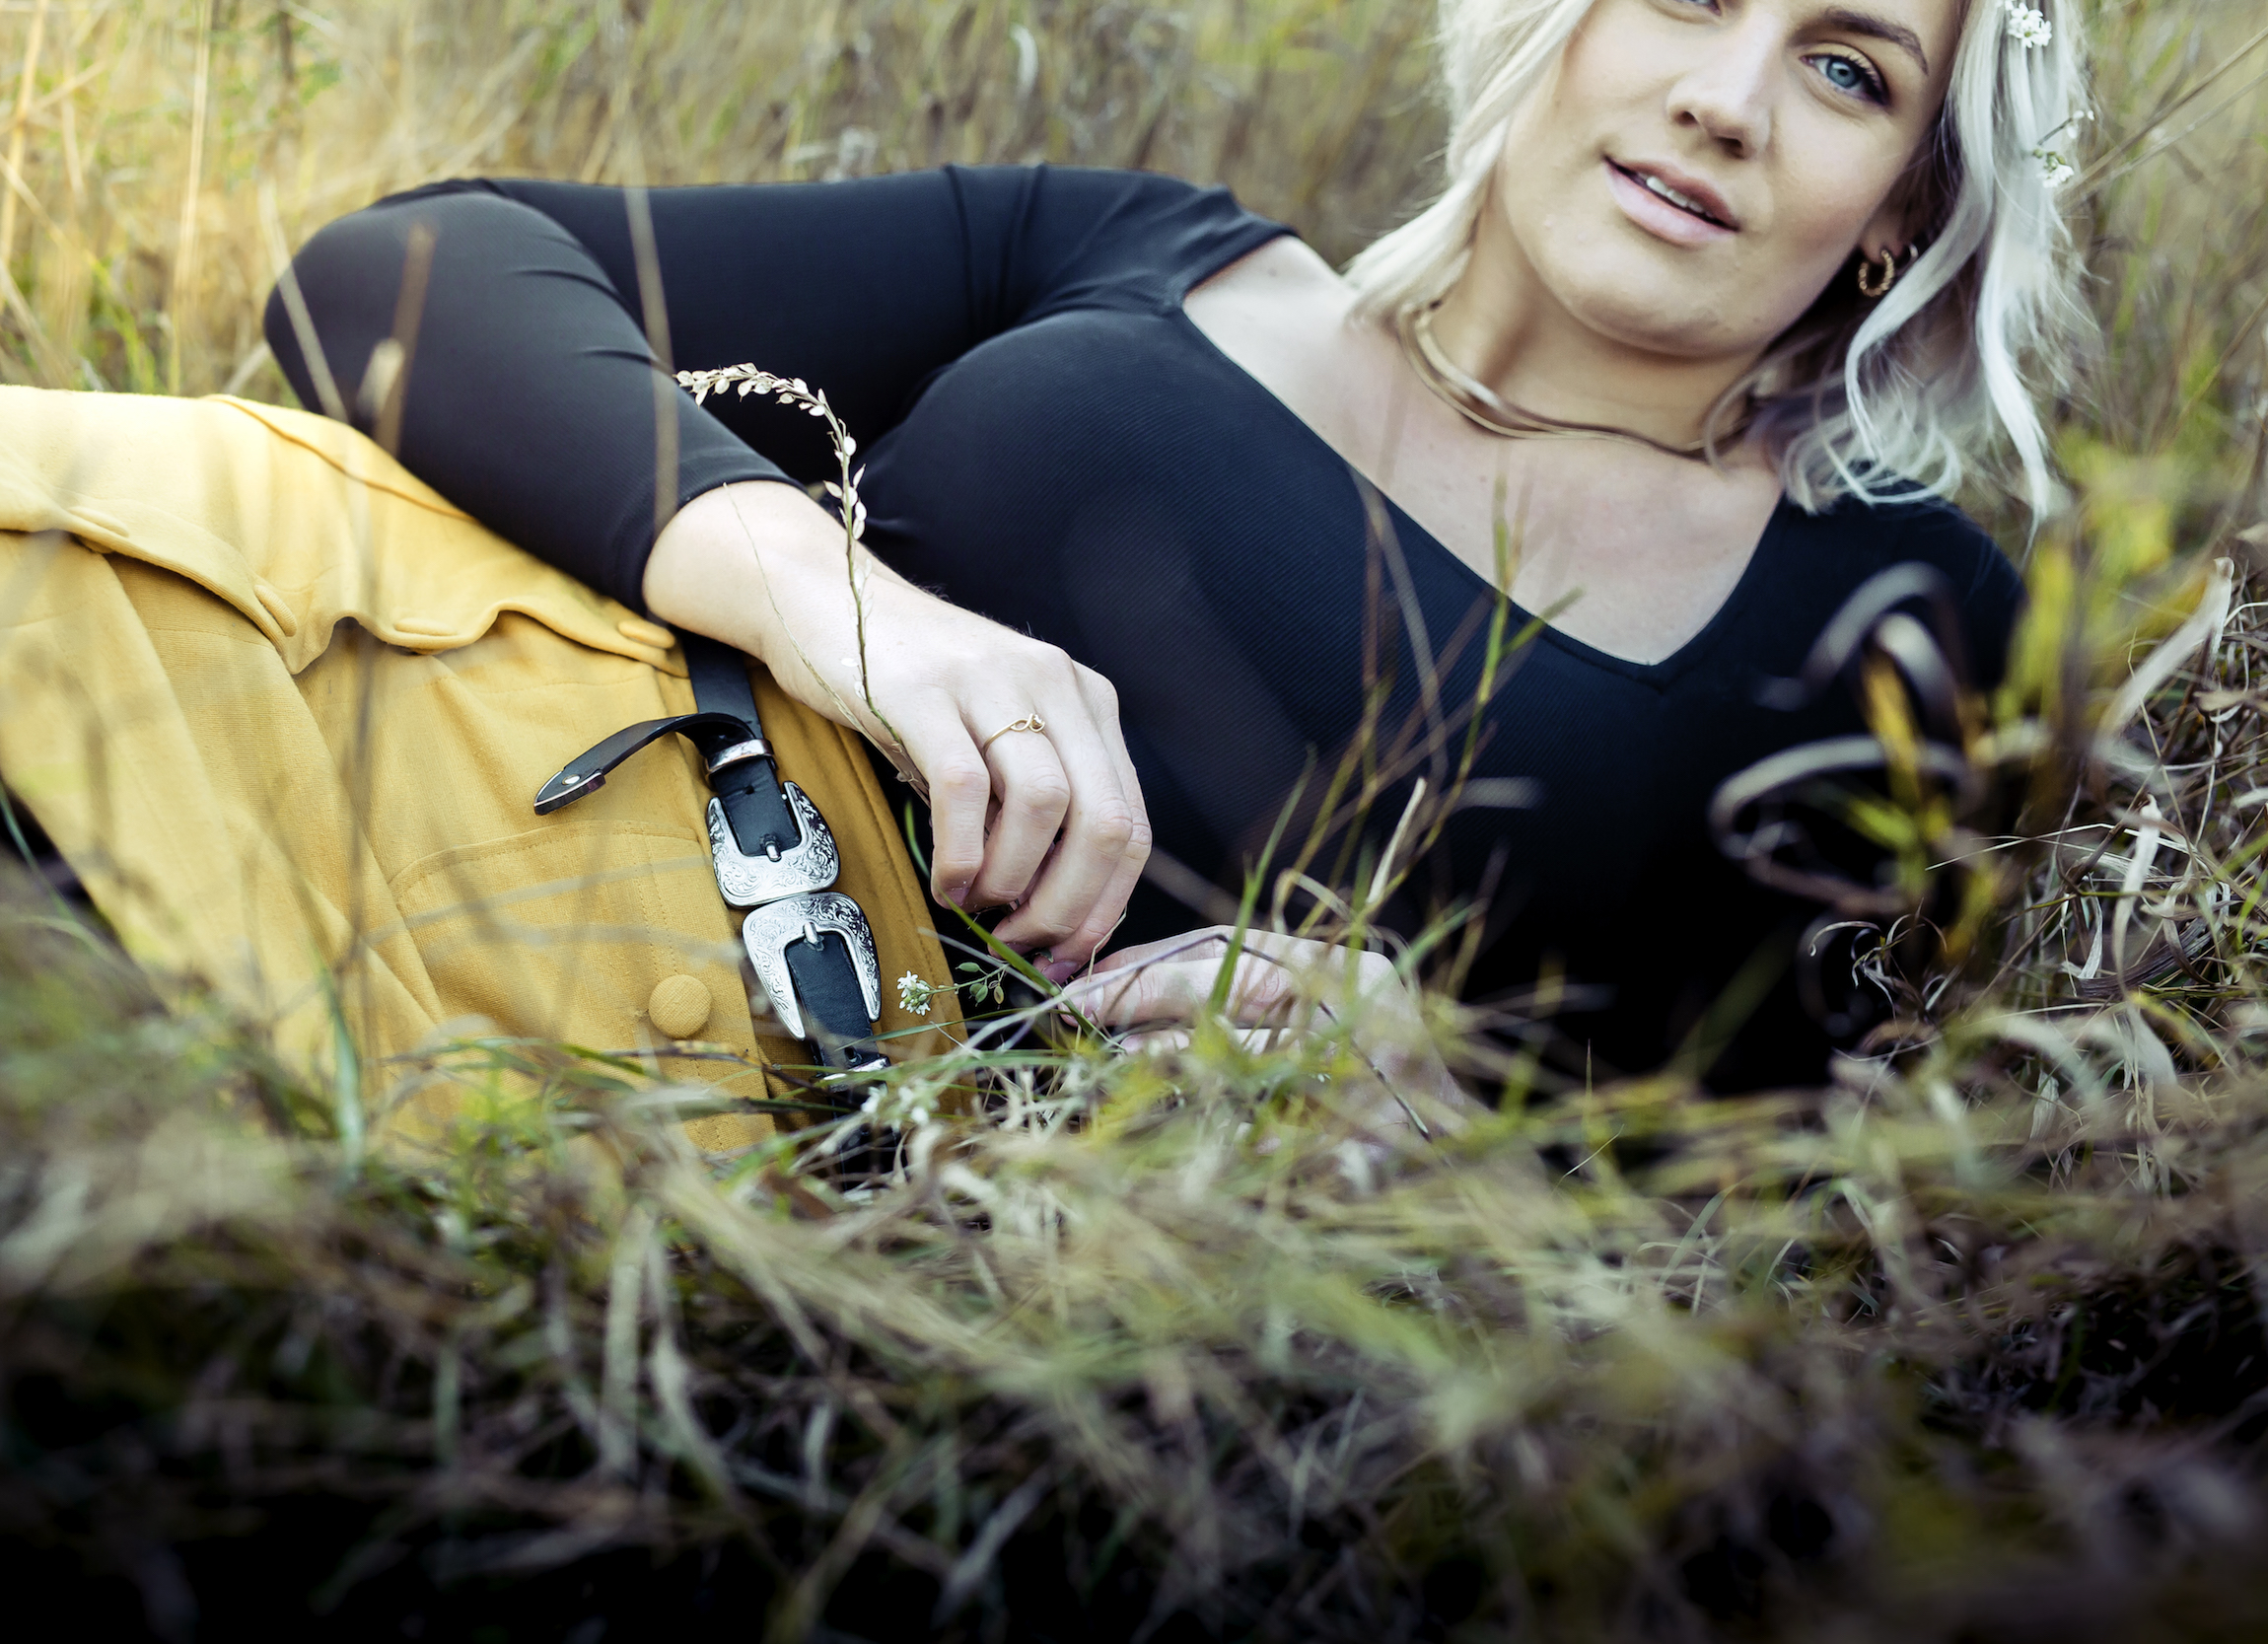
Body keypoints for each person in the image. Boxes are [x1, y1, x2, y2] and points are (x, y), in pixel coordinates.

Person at [267, 0, 2082, 1090]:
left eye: (1846, 70)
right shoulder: (1141, 249)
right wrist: (854, 611)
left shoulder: (1900, 615)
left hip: (842, 1238)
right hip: (390, 854)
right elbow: (397, 273)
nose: (1727, 97)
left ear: (1900, 211)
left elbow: (1825, 1225)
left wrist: (1436, 1089)